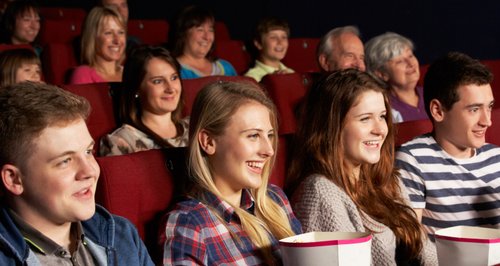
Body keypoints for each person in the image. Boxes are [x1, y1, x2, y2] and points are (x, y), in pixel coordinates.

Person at [287, 69, 437, 265]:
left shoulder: (388, 181)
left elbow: (428, 254)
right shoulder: (321, 192)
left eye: (382, 116)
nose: (380, 129)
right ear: (333, 126)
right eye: (365, 118)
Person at [0, 82, 154, 265]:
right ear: (14, 179)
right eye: (65, 161)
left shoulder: (121, 235)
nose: (89, 171)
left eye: (88, 152)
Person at [161, 81, 302, 265]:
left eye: (269, 135)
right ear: (208, 142)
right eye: (253, 136)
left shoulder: (275, 199)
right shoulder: (189, 224)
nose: (269, 150)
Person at [396, 52, 500, 237]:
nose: (487, 121)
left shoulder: (496, 157)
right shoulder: (413, 160)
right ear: (438, 110)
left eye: (489, 107)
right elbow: (411, 243)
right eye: (474, 109)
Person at [100, 46, 189, 156]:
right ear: (136, 89)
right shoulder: (123, 142)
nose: (171, 88)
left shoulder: (195, 128)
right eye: (158, 81)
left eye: (174, 78)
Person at [365, 32, 428, 122]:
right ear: (382, 74)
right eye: (399, 61)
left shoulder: (434, 95)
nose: (410, 63)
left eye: (410, 56)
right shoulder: (382, 108)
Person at [171, 5, 237, 79]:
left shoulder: (226, 68)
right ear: (183, 33)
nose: (207, 37)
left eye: (210, 30)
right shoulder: (173, 70)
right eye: (200, 30)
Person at [69, 6, 126, 85]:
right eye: (108, 33)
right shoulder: (83, 74)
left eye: (121, 32)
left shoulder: (131, 73)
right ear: (93, 38)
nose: (117, 40)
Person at [244, 17, 294, 82]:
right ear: (258, 43)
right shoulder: (252, 78)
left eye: (284, 37)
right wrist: (270, 81)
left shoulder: (291, 73)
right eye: (273, 37)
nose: (280, 42)